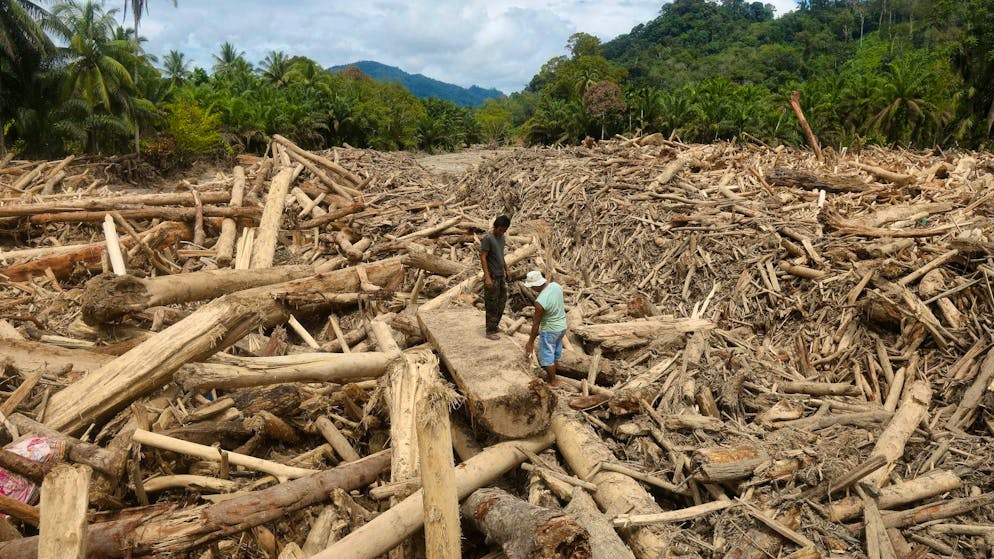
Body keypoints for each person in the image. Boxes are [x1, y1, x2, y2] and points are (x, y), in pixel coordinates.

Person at [523, 270, 566, 386]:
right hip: (562, 327)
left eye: (532, 286)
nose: (532, 289)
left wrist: (530, 342)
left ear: (536, 285)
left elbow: (536, 324)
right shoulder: (556, 286)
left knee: (546, 357)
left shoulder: (540, 302)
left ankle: (553, 382)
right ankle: (554, 376)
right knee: (555, 353)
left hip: (550, 330)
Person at [480, 215, 511, 340]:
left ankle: (495, 325)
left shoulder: (502, 238)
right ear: (495, 227)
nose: (502, 232)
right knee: (491, 303)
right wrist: (487, 277)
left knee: (502, 301)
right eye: (500, 230)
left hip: (500, 274)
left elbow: (501, 255)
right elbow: (483, 257)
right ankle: (490, 330)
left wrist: (506, 269)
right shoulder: (488, 239)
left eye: (504, 230)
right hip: (492, 275)